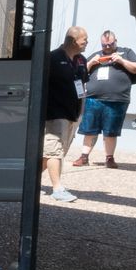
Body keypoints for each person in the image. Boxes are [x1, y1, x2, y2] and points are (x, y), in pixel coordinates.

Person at [73, 29, 136, 167]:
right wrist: (91, 63)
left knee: (110, 131)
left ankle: (109, 158)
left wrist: (121, 60)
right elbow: (79, 73)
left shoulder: (126, 52)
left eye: (110, 44)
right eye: (104, 45)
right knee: (89, 129)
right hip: (93, 99)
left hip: (117, 99)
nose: (107, 47)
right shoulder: (95, 55)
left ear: (116, 41)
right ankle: (84, 157)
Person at [42, 26, 88, 202]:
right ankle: (57, 188)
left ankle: (26, 182)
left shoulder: (81, 60)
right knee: (55, 151)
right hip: (55, 112)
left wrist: (80, 113)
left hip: (73, 113)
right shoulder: (53, 58)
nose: (86, 43)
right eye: (84, 40)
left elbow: (82, 86)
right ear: (73, 41)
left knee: (52, 152)